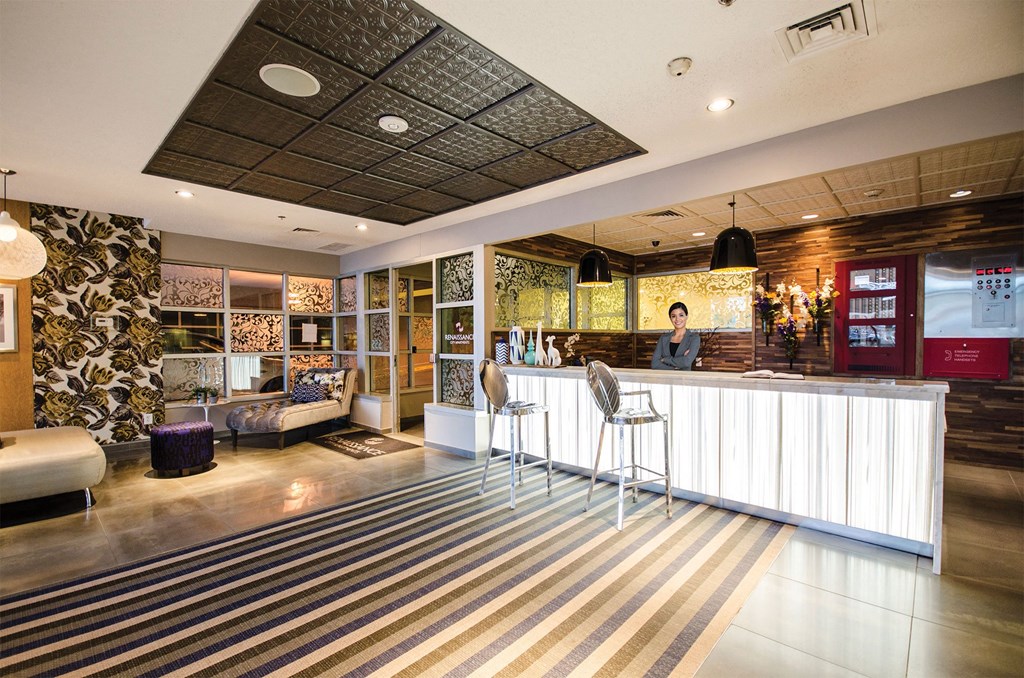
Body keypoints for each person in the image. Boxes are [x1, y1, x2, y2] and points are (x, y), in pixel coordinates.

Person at [652, 301, 700, 370]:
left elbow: (686, 362)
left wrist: (665, 360)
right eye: (673, 316)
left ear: (686, 316)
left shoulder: (694, 338)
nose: (677, 319)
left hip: (683, 379)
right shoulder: (663, 338)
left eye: (681, 315)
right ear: (670, 318)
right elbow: (655, 364)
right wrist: (675, 367)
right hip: (664, 379)